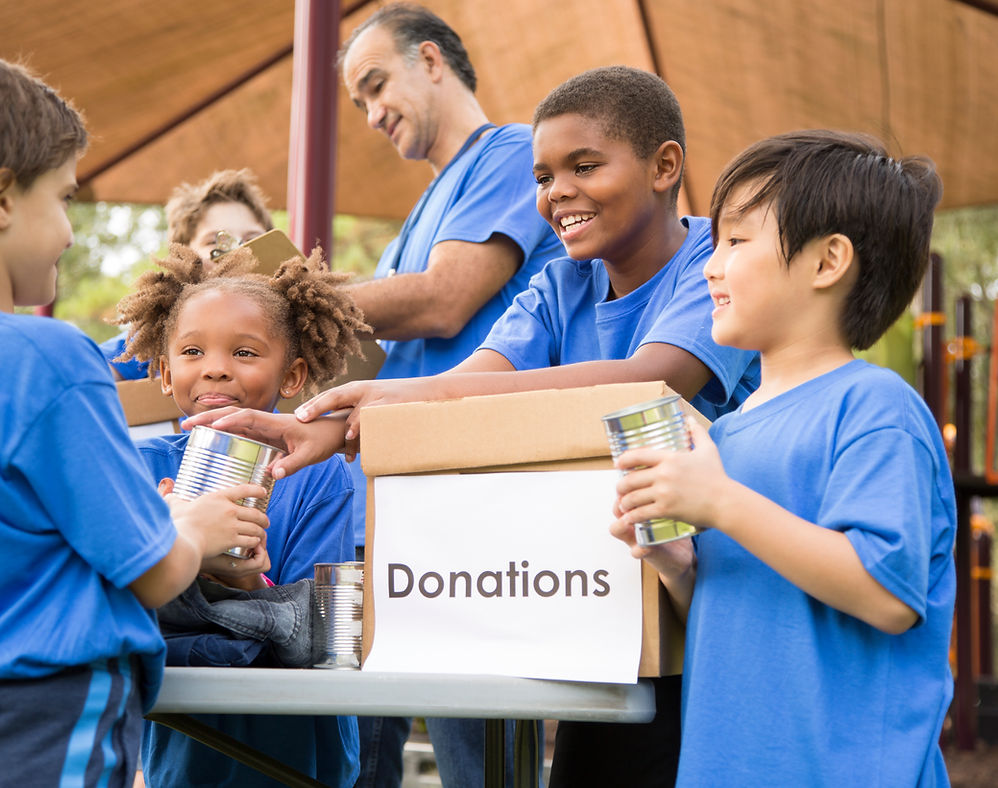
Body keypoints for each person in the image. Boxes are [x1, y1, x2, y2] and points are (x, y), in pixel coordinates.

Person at [185, 66, 761, 786]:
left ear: (664, 167)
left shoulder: (719, 261)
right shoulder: (558, 284)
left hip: (708, 608)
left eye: (584, 167)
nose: (557, 194)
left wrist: (397, 405)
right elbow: (464, 386)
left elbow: (652, 382)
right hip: (595, 597)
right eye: (545, 177)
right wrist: (335, 423)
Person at [0, 44, 267, 788]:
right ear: (2, 198)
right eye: (63, 198)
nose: (70, 231)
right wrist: (196, 527)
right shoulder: (52, 358)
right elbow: (155, 572)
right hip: (42, 725)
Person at [609, 130, 953, 785]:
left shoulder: (875, 405)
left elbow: (886, 594)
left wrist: (719, 503)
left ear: (828, 262)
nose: (711, 266)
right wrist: (678, 566)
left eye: (737, 242)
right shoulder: (727, 435)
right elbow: (742, 609)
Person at [337, 4, 564, 785]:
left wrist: (304, 297)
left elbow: (442, 300)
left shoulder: (507, 154)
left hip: (469, 499)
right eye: (358, 102)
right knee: (366, 743)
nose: (370, 115)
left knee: (481, 753)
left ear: (431, 60)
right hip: (391, 499)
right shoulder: (419, 213)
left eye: (376, 85)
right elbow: (376, 333)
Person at [112, 244, 369, 788]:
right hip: (187, 748)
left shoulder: (318, 473)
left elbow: (333, 640)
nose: (216, 371)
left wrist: (247, 577)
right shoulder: (137, 470)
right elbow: (121, 619)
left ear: (294, 375)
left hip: (297, 753)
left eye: (246, 353)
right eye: (191, 352)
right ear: (162, 372)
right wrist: (174, 546)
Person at [101, 167, 275, 380]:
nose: (236, 251)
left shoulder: (292, 334)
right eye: (215, 241)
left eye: (251, 240)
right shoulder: (159, 335)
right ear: (183, 256)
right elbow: (90, 375)